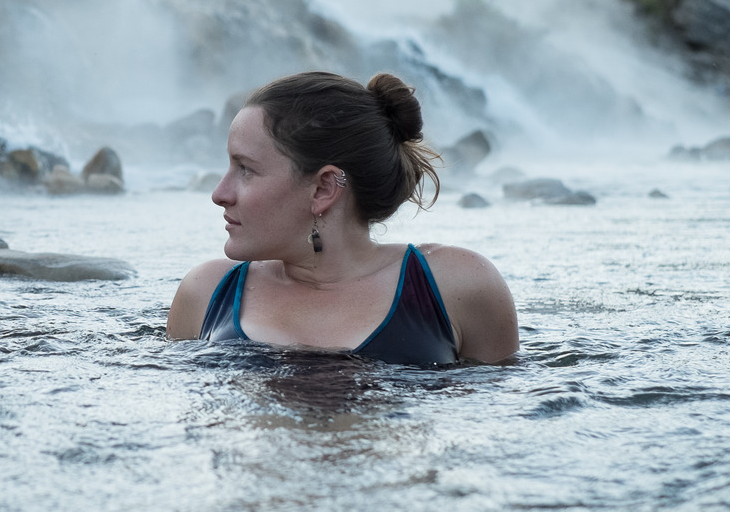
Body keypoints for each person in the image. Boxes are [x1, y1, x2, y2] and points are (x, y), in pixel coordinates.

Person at [167, 71, 518, 364]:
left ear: (323, 189)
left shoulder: (455, 287)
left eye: (246, 169)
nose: (219, 193)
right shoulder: (206, 294)